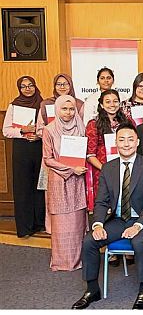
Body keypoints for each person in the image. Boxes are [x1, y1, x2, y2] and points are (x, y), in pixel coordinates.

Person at [71, 123, 143, 309]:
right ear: (116, 143)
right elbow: (101, 201)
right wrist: (98, 224)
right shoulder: (108, 168)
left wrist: (138, 226)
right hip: (119, 220)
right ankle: (92, 289)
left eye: (130, 139)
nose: (126, 144)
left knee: (139, 242)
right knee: (89, 241)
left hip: (142, 220)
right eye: (122, 140)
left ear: (137, 142)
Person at [41, 95, 88, 271]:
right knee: (61, 221)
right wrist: (71, 169)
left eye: (71, 109)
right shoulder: (49, 130)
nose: (68, 113)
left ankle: (78, 259)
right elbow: (48, 159)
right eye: (64, 109)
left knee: (77, 220)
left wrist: (78, 168)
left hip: (77, 180)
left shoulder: (80, 127)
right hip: (59, 180)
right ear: (57, 109)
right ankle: (61, 261)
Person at [2, 76, 46, 237]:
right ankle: (25, 227)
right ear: (19, 89)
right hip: (21, 150)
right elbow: (6, 131)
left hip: (38, 148)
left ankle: (40, 223)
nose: (28, 89)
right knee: (23, 187)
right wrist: (23, 130)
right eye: (23, 86)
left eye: (30, 85)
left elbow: (49, 127)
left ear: (35, 86)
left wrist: (39, 135)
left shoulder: (42, 104)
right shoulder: (14, 105)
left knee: (39, 187)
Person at [85, 89, 132, 213]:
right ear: (101, 104)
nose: (112, 104)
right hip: (103, 171)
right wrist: (106, 169)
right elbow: (90, 155)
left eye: (115, 101)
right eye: (108, 101)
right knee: (105, 209)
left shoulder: (127, 122)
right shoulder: (94, 124)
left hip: (126, 170)